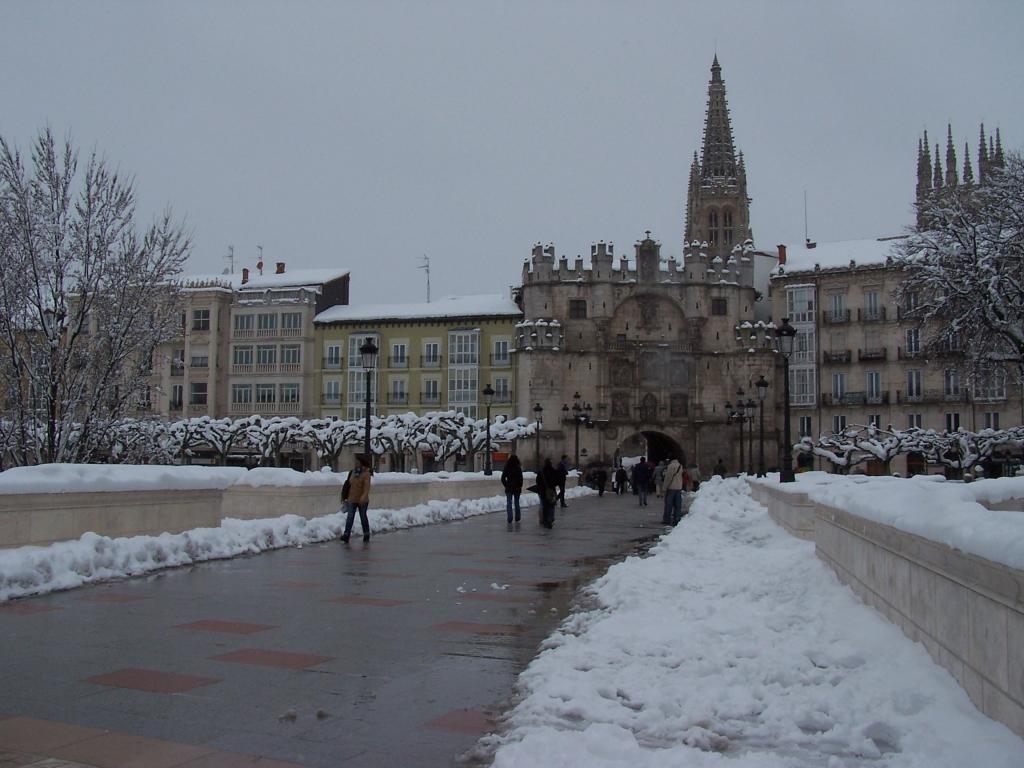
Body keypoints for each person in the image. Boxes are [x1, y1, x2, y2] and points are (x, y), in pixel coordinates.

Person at [340, 454, 372, 543]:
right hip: (352, 498)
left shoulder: (366, 474)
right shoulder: (352, 472)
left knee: (363, 517)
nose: (355, 463)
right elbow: (348, 485)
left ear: (361, 463)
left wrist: (363, 497)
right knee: (350, 517)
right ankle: (346, 534)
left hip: (362, 500)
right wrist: (345, 497)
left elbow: (366, 488)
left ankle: (366, 533)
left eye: (357, 462)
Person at [537, 458, 561, 528]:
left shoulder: (541, 471)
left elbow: (538, 481)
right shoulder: (553, 471)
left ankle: (545, 520)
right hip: (551, 491)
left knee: (545, 506)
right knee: (551, 505)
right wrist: (552, 485)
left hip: (543, 491)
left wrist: (542, 487)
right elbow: (558, 480)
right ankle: (551, 518)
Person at [500, 453, 524, 524]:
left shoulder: (507, 467)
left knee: (509, 503)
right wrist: (520, 485)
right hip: (517, 488)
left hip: (509, 487)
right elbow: (521, 478)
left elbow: (503, 478)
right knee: (516, 503)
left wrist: (506, 485)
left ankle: (510, 517)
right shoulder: (518, 468)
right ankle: (517, 517)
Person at [662, 457, 685, 525]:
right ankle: (677, 518)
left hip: (671, 488)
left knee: (668, 504)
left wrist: (664, 487)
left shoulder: (671, 466)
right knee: (677, 505)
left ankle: (667, 519)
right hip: (679, 488)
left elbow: (668, 477)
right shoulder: (680, 466)